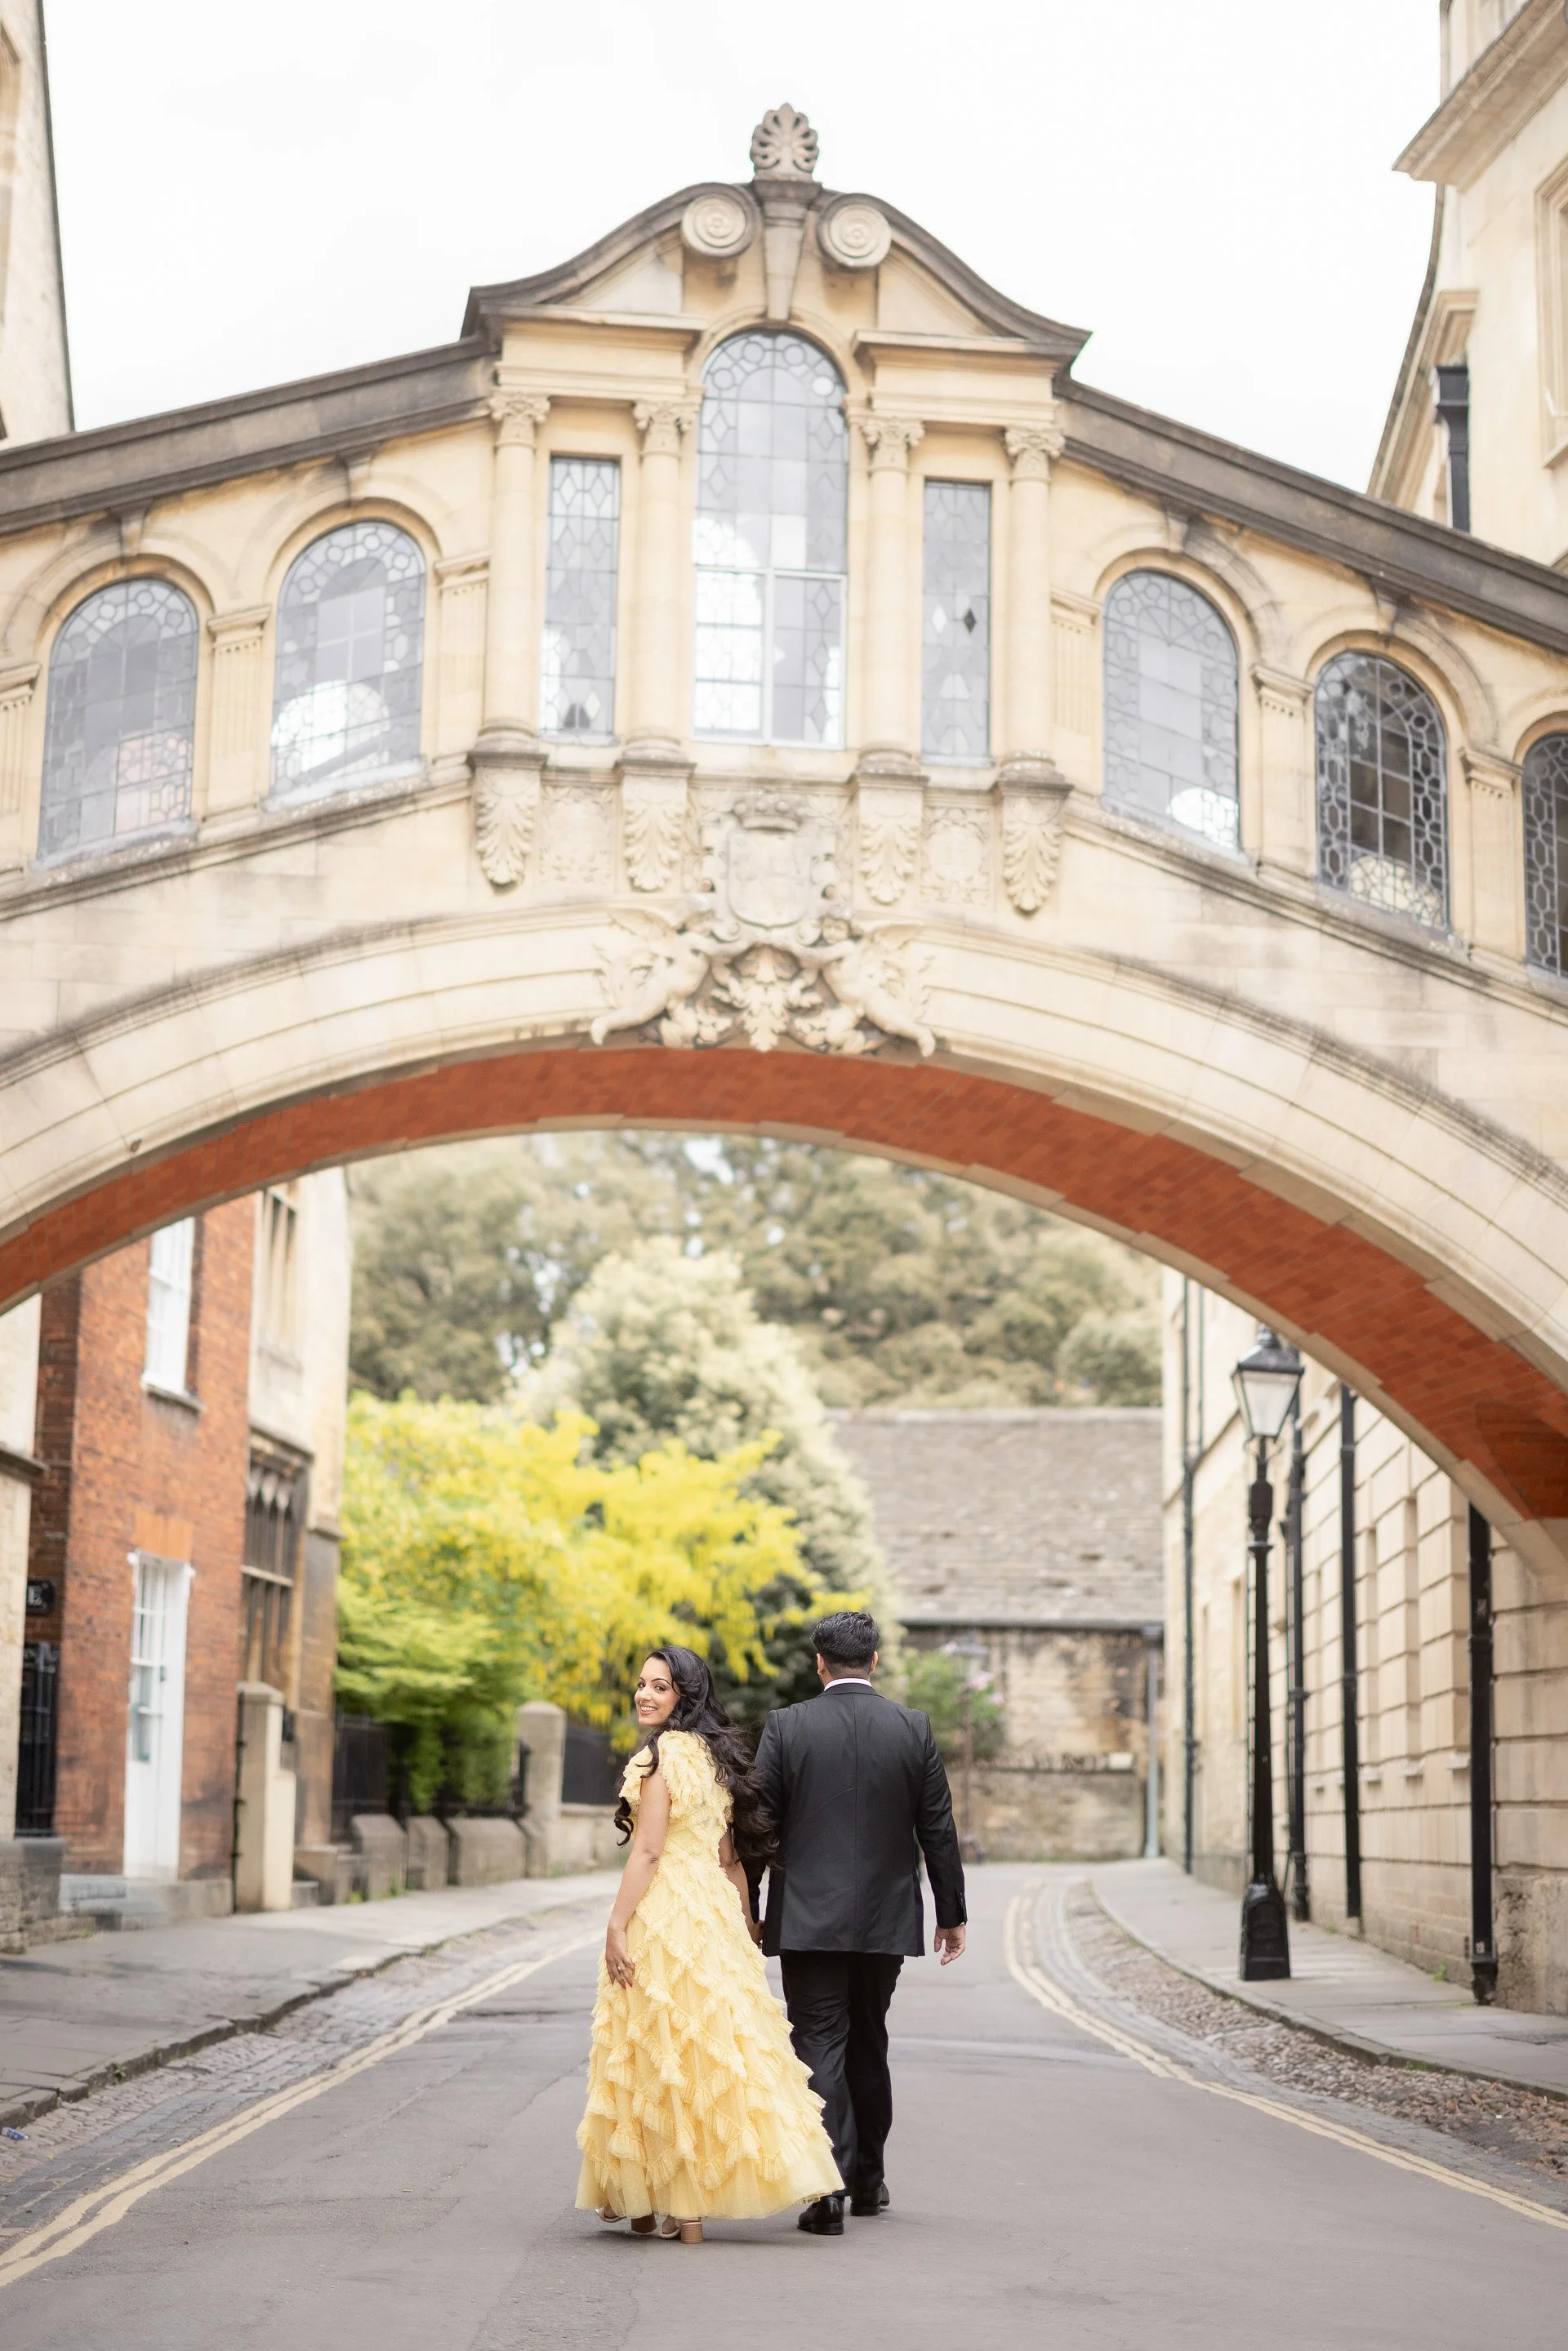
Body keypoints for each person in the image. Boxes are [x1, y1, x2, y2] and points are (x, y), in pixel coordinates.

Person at [576, 1645, 842, 2245]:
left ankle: (651, 2197)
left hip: (666, 1911)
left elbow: (646, 1852)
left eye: (659, 1687)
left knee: (653, 2048)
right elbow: (729, 1859)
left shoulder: (659, 1756)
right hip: (713, 1915)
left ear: (683, 1696)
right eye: (642, 1684)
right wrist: (745, 1922)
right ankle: (684, 2211)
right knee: (711, 2050)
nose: (644, 1694)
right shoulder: (716, 1756)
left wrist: (617, 1923)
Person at [751, 1610, 967, 2237]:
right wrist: (950, 1913)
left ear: (819, 1662)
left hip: (807, 1919)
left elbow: (759, 1824)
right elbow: (938, 1829)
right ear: (873, 1661)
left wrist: (755, 1908)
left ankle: (827, 2189)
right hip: (884, 1918)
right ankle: (868, 2181)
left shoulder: (787, 1726)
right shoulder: (912, 1727)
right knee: (869, 2038)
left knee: (819, 2042)